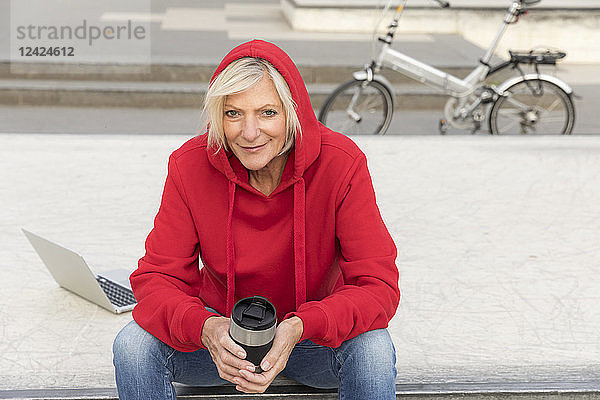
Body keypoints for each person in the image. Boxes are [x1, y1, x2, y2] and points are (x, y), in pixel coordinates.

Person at [112, 39, 400, 400]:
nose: (249, 133)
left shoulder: (342, 164)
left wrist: (303, 325)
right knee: (133, 347)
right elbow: (157, 279)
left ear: (292, 112)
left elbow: (378, 286)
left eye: (267, 112)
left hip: (313, 341)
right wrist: (205, 328)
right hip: (223, 348)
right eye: (234, 114)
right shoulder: (189, 166)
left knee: (373, 350)